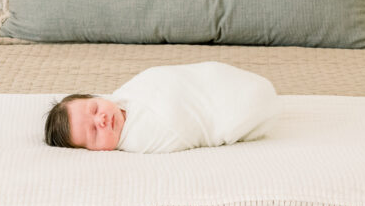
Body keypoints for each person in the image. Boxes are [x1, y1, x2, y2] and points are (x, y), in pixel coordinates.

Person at [43, 62, 279, 153]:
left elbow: (166, 79)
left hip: (210, 82)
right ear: (95, 152)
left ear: (96, 97)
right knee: (250, 101)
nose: (101, 120)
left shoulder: (126, 94)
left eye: (94, 109)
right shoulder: (138, 140)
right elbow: (179, 124)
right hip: (221, 112)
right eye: (94, 133)